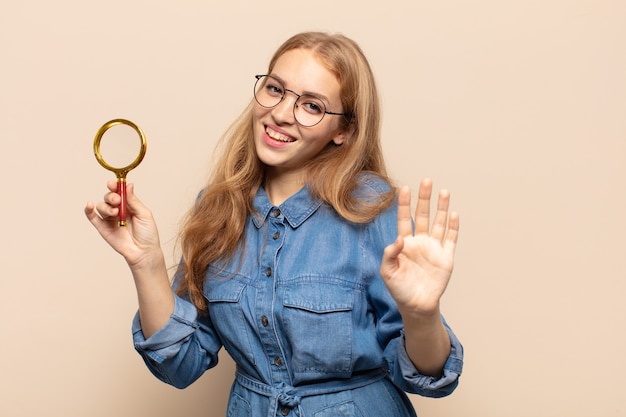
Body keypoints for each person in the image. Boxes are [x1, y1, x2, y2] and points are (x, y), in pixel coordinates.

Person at [85, 31, 463, 417]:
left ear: (344, 131)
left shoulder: (372, 208)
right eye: (275, 89)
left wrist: (422, 315)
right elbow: (180, 365)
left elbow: (429, 376)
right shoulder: (218, 209)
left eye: (312, 106)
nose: (281, 113)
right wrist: (145, 263)